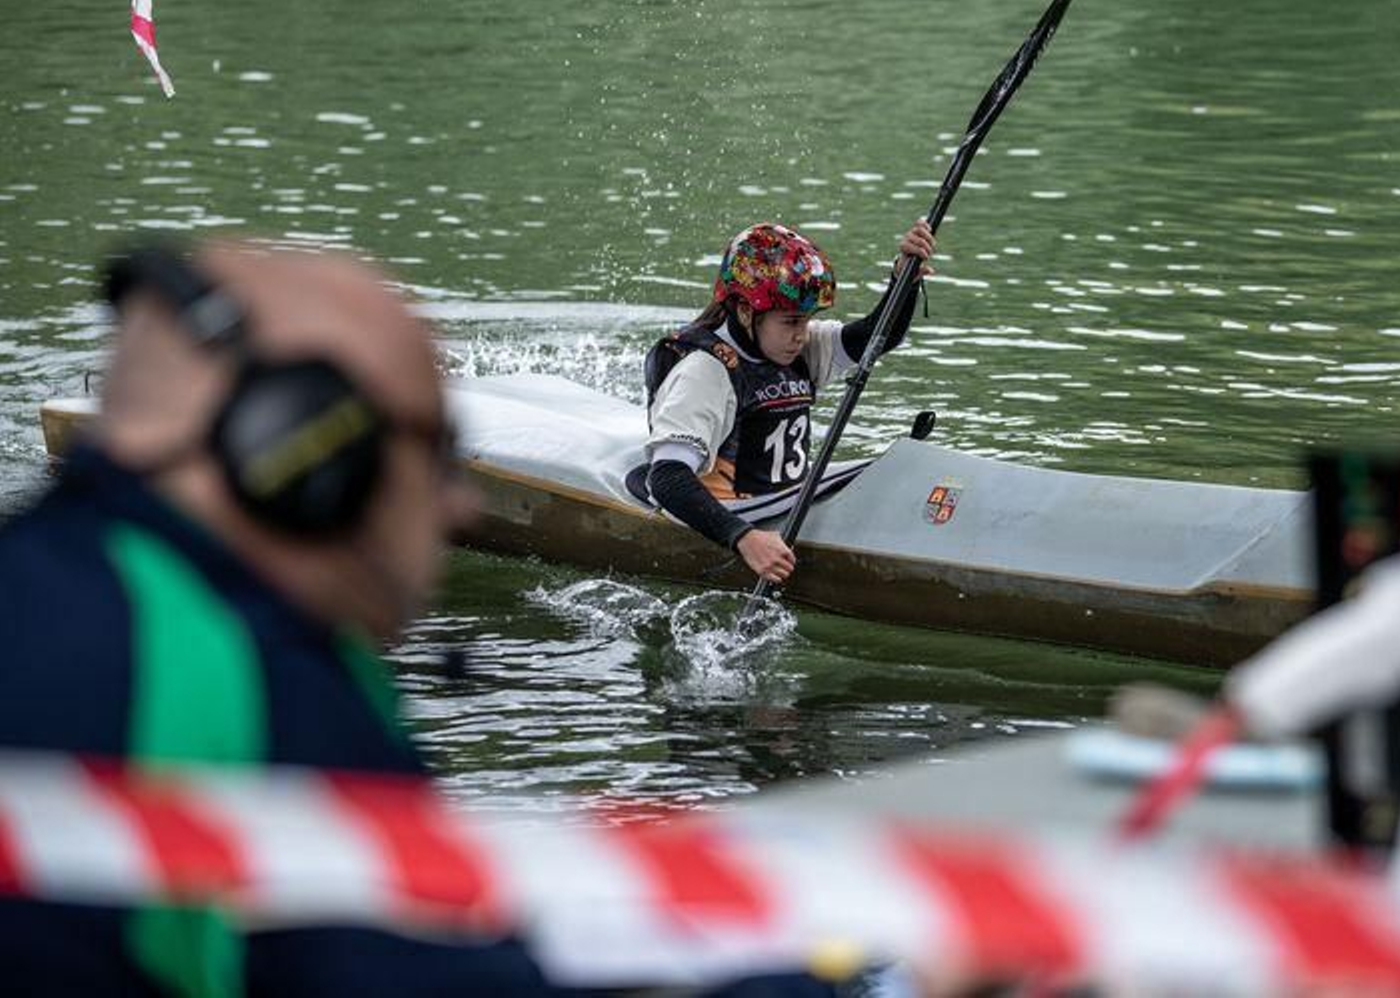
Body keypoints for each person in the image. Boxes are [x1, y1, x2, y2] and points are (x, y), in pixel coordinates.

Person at [0, 238, 553, 995]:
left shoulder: (55, 582)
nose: (459, 502)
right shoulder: (249, 686)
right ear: (301, 449)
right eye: (437, 448)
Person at [641, 219, 936, 584]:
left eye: (808, 321)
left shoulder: (793, 347)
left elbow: (877, 338)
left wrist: (904, 280)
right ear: (746, 311)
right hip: (732, 513)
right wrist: (743, 539)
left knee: (893, 463)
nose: (801, 335)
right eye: (792, 322)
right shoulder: (705, 371)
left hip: (783, 500)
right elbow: (667, 479)